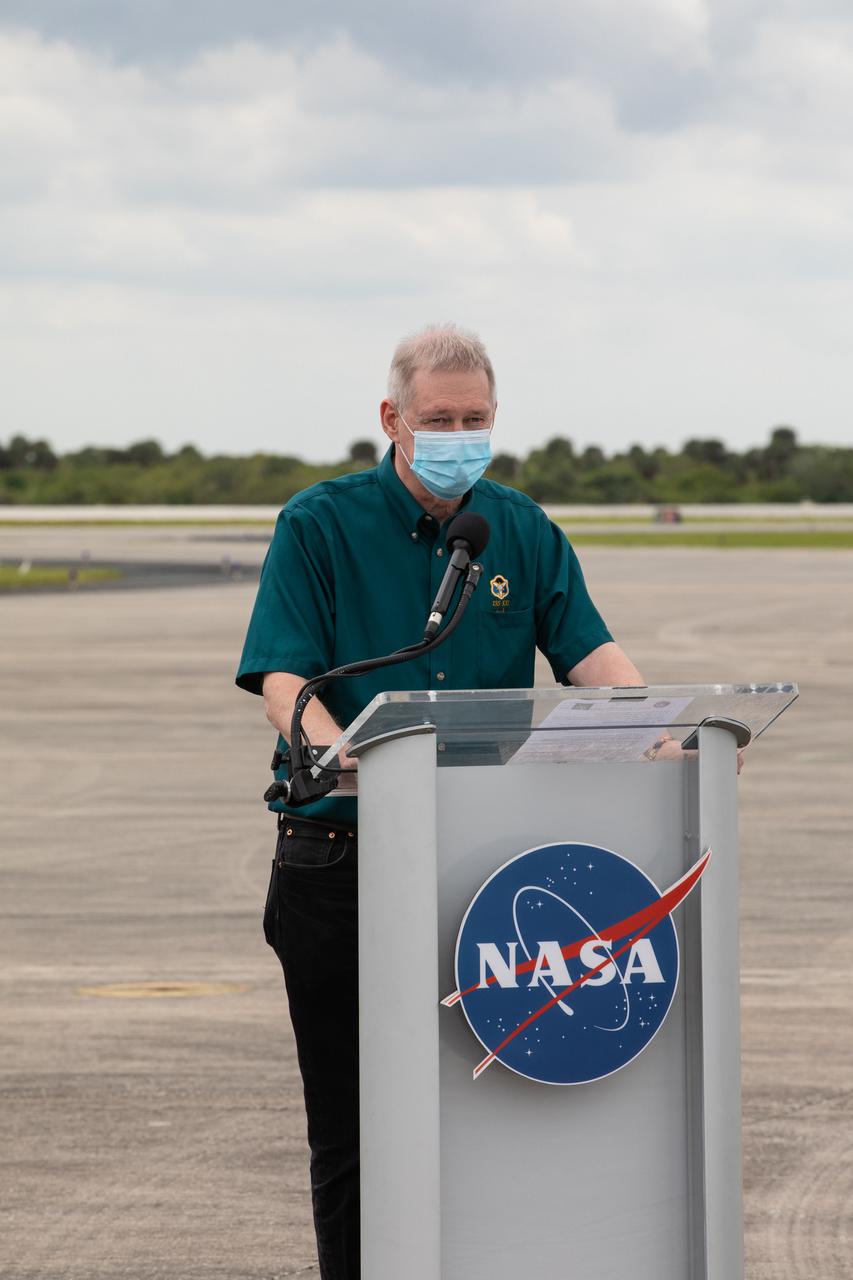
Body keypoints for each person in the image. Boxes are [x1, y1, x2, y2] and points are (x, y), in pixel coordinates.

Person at [236, 324, 646, 1280]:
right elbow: (284, 672)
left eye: (475, 419)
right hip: (342, 857)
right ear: (392, 419)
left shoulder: (522, 528)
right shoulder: (319, 523)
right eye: (438, 419)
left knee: (488, 1109)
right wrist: (332, 749)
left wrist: (665, 727)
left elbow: (592, 656)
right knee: (355, 1132)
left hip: (481, 862)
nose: (459, 433)